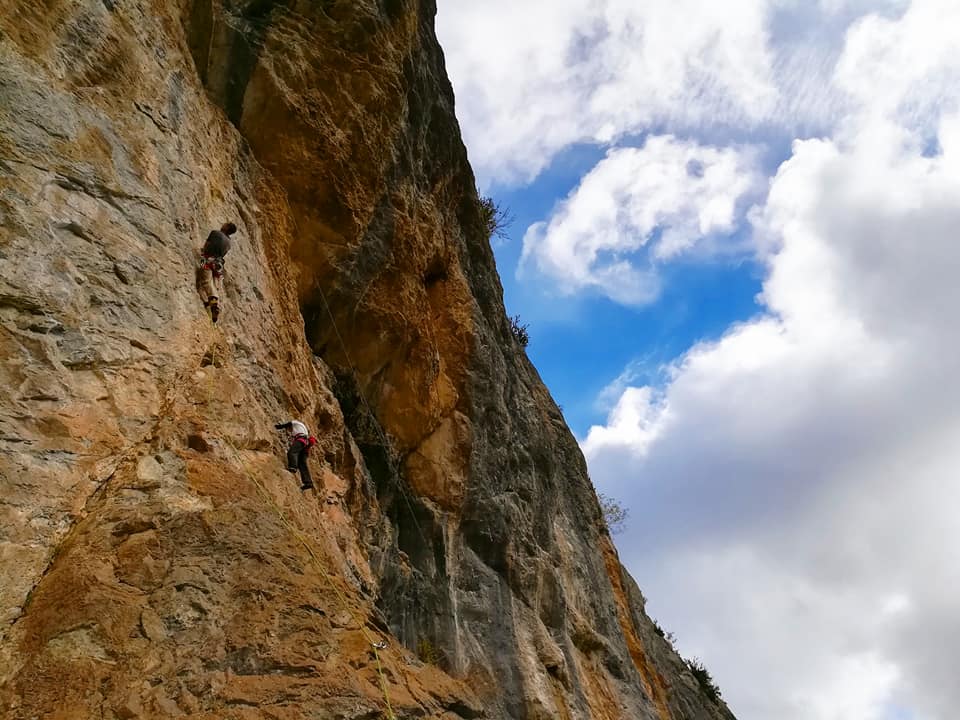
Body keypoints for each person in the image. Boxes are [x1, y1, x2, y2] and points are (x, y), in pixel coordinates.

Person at [197, 222, 237, 323]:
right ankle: (210, 302)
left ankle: (214, 304)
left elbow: (206, 246)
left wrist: (202, 252)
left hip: (208, 260)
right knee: (213, 284)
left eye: (225, 224)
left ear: (227, 227)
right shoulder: (229, 242)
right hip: (219, 265)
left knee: (206, 282)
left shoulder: (215, 233)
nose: (223, 224)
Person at [274, 419, 317, 490]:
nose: (290, 430)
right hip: (305, 446)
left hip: (301, 440)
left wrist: (278, 427)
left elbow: (287, 424)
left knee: (292, 452)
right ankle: (308, 482)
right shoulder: (303, 429)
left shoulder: (296, 423)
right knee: (302, 464)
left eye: (290, 429)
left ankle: (293, 467)